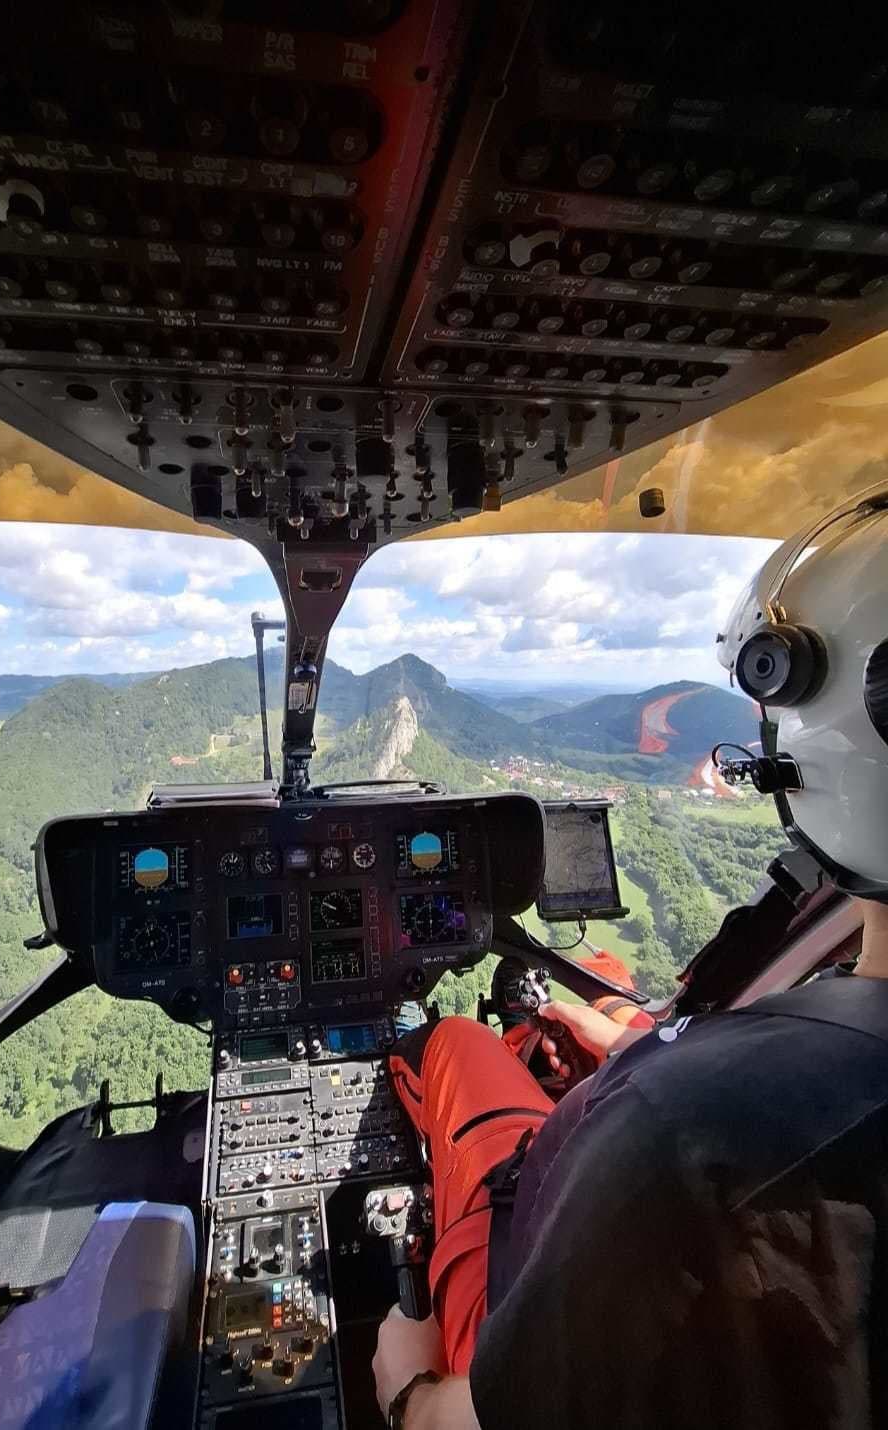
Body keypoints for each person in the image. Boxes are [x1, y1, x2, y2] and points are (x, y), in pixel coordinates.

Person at [373, 484, 888, 1429]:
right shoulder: (693, 1105)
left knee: (455, 1044)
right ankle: (572, 1030)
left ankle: (474, 1049)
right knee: (604, 995)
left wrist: (405, 1389)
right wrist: (634, 1057)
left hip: (525, 1331)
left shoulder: (680, 1134)